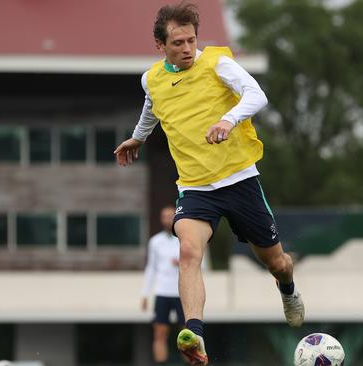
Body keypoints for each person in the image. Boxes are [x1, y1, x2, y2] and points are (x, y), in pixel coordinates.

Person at [114, 2, 305, 365]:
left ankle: (288, 289)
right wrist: (138, 138)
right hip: (195, 187)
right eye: (178, 43)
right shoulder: (151, 78)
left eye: (191, 41)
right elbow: (152, 107)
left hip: (239, 180)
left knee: (276, 262)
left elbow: (257, 95)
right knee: (188, 251)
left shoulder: (218, 63)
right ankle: (195, 336)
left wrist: (228, 121)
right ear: (160, 46)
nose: (187, 49)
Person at [141, 205, 185, 364]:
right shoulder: (155, 241)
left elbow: (200, 265)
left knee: (186, 333)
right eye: (164, 216)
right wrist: (145, 294)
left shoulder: (185, 238)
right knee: (160, 332)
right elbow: (151, 268)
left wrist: (182, 263)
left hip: (182, 293)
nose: (167, 219)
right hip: (162, 292)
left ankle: (189, 362)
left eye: (170, 215)